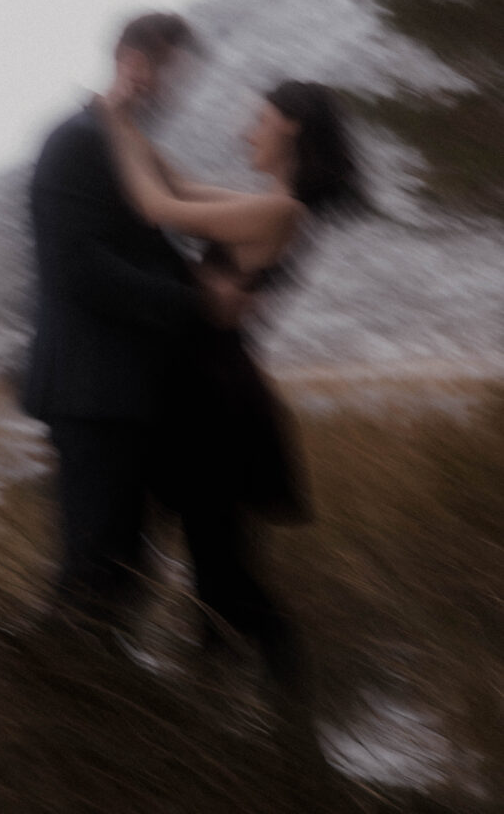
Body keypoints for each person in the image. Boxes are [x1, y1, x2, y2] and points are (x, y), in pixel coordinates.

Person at [102, 80, 363, 684]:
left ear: (291, 127)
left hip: (213, 406)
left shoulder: (277, 211)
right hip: (209, 394)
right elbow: (180, 187)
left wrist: (115, 127)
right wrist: (129, 123)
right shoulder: (272, 205)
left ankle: (289, 715)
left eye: (259, 120)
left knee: (225, 574)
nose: (248, 132)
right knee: (217, 566)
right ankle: (232, 695)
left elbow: (157, 208)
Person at [22, 11, 250, 631]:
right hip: (93, 395)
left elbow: (138, 247)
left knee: (118, 574)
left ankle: (78, 697)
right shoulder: (78, 141)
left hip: (124, 396)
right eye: (176, 74)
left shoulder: (123, 146)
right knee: (94, 578)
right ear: (134, 65)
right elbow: (80, 268)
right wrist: (199, 301)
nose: (180, 92)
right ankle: (52, 703)